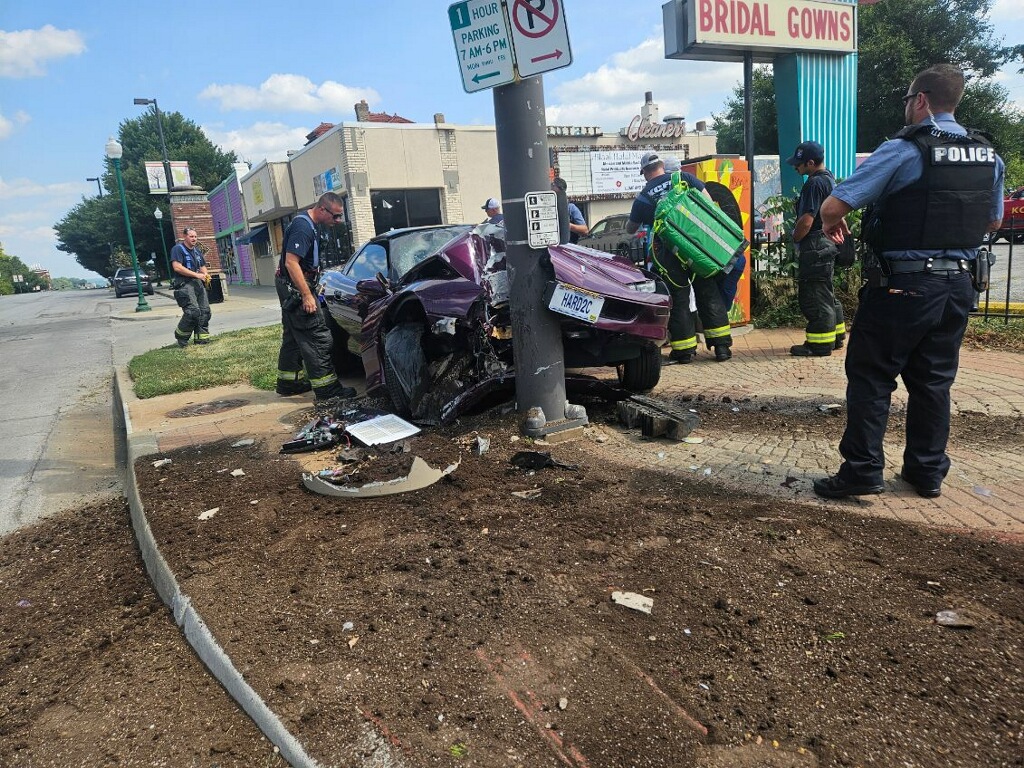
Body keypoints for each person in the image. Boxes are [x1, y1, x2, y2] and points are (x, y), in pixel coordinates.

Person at [813, 63, 1004, 499]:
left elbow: (833, 207)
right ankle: (927, 471)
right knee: (934, 381)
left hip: (904, 287)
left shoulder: (905, 149)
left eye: (907, 100)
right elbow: (992, 218)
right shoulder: (988, 154)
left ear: (920, 100)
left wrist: (832, 224)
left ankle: (862, 471)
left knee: (872, 376)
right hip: (959, 285)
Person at [627, 152, 733, 363]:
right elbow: (709, 204)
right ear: (662, 165)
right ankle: (722, 347)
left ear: (645, 173)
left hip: (668, 253)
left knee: (678, 298)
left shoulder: (644, 196)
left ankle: (684, 351)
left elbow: (631, 229)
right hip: (697, 246)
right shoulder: (684, 179)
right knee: (708, 291)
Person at [275, 192, 357, 401]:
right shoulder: (303, 227)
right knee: (317, 337)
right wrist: (306, 295)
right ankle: (328, 390)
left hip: (290, 285)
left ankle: (288, 383)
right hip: (295, 288)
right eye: (335, 216)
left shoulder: (309, 225)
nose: (338, 221)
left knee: (293, 336)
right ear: (322, 209)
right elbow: (291, 262)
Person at [786, 141, 846, 356]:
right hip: (827, 244)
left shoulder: (813, 184)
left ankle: (819, 343)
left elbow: (807, 220)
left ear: (810, 163)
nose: (796, 167)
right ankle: (836, 336)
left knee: (814, 295)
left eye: (800, 164)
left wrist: (795, 237)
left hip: (815, 244)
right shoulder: (829, 179)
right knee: (826, 292)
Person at [170, 227, 211, 348]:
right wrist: (196, 275)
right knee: (192, 312)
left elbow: (202, 266)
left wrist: (206, 275)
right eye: (191, 236)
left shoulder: (197, 251)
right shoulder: (178, 249)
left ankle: (201, 340)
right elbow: (177, 267)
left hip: (197, 284)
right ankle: (181, 338)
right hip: (184, 284)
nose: (194, 239)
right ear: (185, 237)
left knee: (205, 312)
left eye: (195, 237)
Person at [551, 177, 589, 243]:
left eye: (553, 186)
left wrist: (568, 225)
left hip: (567, 246)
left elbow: (585, 230)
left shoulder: (570, 208)